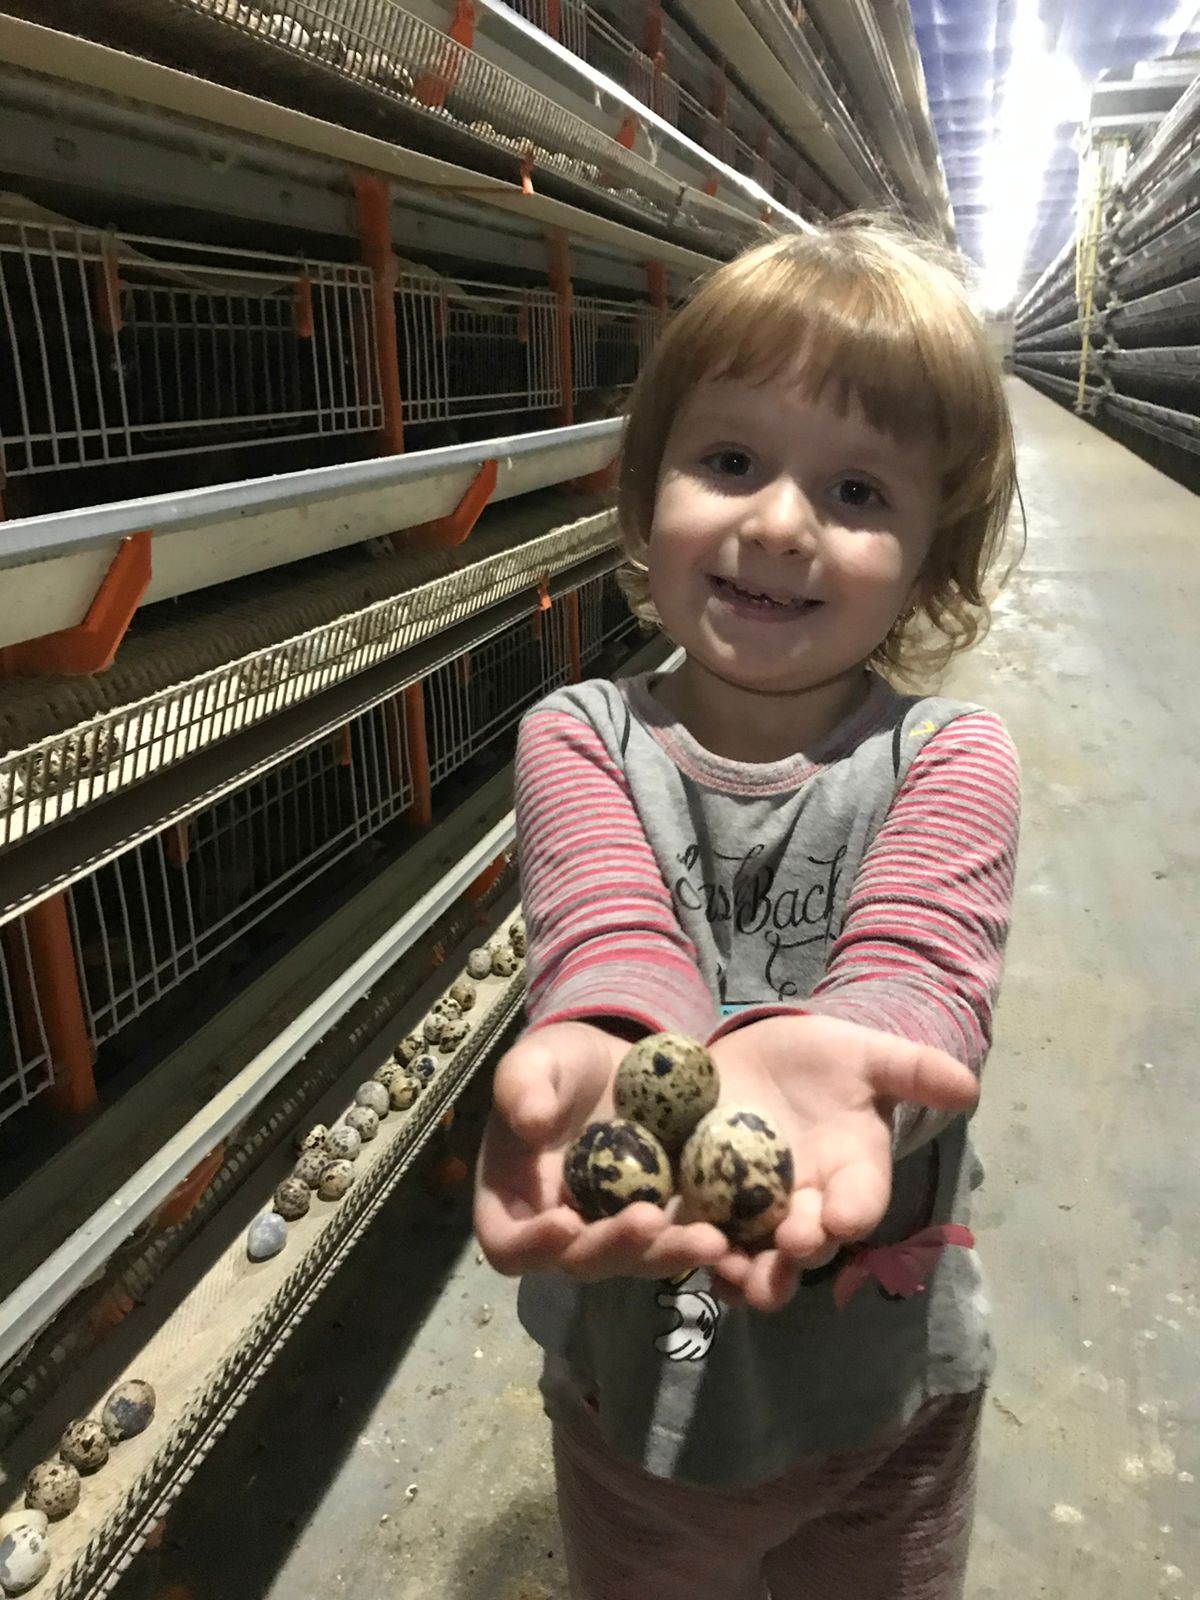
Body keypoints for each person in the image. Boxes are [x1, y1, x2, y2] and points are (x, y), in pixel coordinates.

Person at [474, 214, 1023, 1600]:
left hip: (887, 1405)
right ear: (642, 494)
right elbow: (608, 918)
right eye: (730, 462)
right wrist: (612, 1040)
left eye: (856, 492)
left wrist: (853, 1050)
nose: (779, 522)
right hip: (635, 1419)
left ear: (928, 560)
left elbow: (923, 958)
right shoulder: (579, 736)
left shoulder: (949, 762)